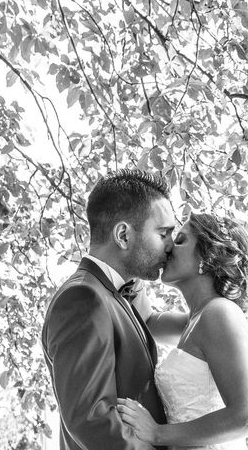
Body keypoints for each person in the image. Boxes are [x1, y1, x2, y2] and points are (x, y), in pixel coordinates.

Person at [41, 169, 176, 450]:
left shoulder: (113, 292)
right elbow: (91, 419)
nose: (170, 246)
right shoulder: (83, 298)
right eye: (163, 233)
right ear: (123, 234)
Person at [117, 212, 248, 450]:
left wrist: (157, 434)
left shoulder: (220, 313)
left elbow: (246, 418)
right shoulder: (194, 320)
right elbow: (147, 321)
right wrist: (138, 252)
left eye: (181, 240)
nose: (169, 247)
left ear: (208, 256)